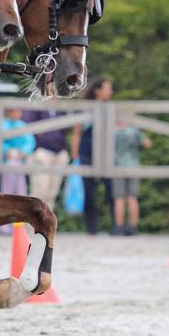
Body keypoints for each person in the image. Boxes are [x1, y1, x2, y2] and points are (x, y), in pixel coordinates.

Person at [70, 77, 113, 235]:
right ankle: (91, 228)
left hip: (106, 152)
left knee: (111, 190)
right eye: (107, 88)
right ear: (97, 91)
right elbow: (76, 132)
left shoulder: (110, 108)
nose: (110, 92)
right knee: (89, 192)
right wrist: (75, 154)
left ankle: (115, 226)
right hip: (87, 151)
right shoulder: (85, 108)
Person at [23, 108, 69, 209]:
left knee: (52, 193)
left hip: (59, 152)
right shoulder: (36, 105)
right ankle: (32, 219)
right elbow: (27, 124)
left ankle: (46, 219)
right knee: (39, 192)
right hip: (41, 152)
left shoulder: (61, 107)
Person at [0, 108, 35, 233]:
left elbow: (30, 141)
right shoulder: (3, 124)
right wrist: (7, 151)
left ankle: (19, 225)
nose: (19, 113)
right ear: (9, 112)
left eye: (19, 112)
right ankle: (3, 224)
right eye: (16, 111)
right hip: (7, 161)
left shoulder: (22, 125)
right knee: (7, 191)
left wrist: (23, 152)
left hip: (20, 161)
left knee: (21, 192)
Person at [112, 119, 151, 235]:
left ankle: (119, 227)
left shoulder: (112, 131)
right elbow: (147, 144)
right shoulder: (134, 130)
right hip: (133, 166)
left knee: (119, 198)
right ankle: (133, 227)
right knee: (132, 198)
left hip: (117, 166)